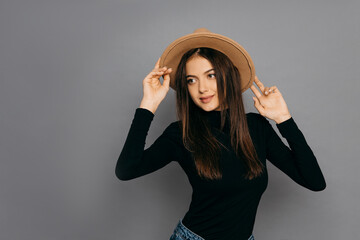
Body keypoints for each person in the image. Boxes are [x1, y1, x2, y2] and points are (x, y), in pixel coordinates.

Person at [115, 29, 326, 240]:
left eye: (211, 75)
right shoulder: (181, 134)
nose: (202, 88)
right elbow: (126, 170)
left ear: (229, 75)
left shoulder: (256, 127)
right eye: (191, 80)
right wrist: (148, 106)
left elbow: (315, 182)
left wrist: (284, 119)